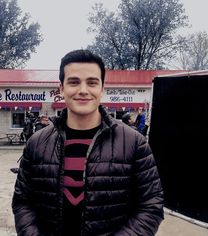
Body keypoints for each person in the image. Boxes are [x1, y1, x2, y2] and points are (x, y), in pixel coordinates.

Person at [12, 49, 164, 236]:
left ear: (101, 88)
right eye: (74, 82)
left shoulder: (134, 143)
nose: (83, 90)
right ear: (61, 88)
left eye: (92, 82)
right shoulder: (36, 143)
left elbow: (151, 205)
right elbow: (23, 202)